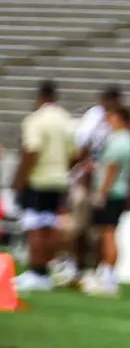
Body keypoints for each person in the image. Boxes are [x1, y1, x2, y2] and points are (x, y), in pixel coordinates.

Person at [13, 81, 77, 293]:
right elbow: (75, 154)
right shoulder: (66, 120)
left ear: (40, 98)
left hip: (39, 179)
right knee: (49, 226)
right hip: (59, 179)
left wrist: (20, 178)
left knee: (35, 226)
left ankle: (36, 270)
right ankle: (45, 272)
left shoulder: (36, 120)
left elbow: (32, 151)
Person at [60, 86, 124, 287]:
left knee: (97, 231)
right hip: (87, 180)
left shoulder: (119, 126)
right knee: (79, 226)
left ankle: (95, 270)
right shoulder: (94, 117)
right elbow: (83, 146)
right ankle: (76, 265)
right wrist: (79, 171)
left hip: (101, 184)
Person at [81, 104, 130, 298]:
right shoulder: (127, 139)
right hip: (118, 192)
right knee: (109, 232)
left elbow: (112, 168)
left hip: (112, 192)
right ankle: (107, 272)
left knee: (108, 233)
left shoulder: (120, 140)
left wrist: (101, 192)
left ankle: (108, 273)